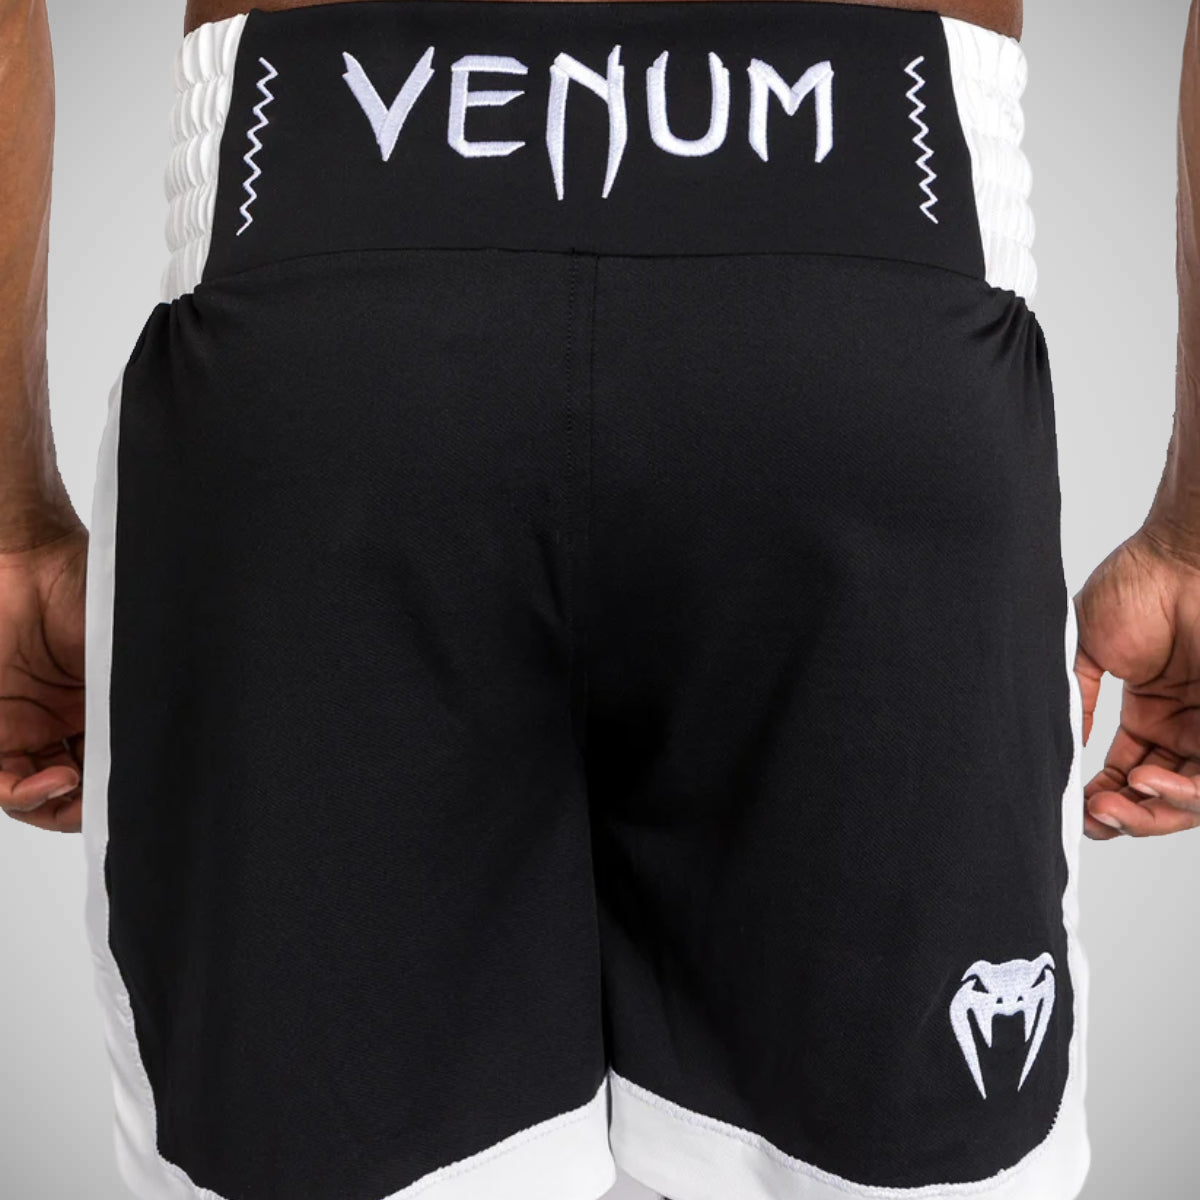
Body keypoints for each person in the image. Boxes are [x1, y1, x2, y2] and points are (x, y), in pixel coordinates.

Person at [1, 0, 1197, 1197]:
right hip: (873, 264)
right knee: (913, 1154)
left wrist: (7, 525)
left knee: (305, 1152)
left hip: (321, 268)